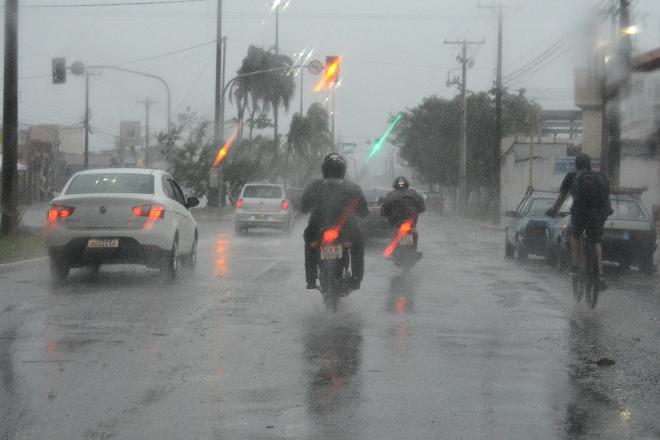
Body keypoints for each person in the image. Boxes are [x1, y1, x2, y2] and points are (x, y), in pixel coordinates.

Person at [300, 153, 369, 290]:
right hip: (347, 230)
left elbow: (303, 207)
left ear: (324, 169)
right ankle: (356, 279)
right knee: (357, 248)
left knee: (310, 246)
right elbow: (363, 211)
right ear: (343, 170)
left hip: (317, 228)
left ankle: (311, 279)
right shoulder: (353, 188)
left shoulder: (314, 186)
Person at [546, 153, 611, 290]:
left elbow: (562, 198)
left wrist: (553, 211)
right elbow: (606, 197)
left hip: (580, 213)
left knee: (575, 235)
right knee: (596, 241)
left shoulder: (571, 177)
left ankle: (575, 267)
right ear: (590, 165)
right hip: (598, 214)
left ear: (576, 165)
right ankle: (599, 275)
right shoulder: (600, 177)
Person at [380, 176, 426, 256]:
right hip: (410, 223)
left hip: (396, 223)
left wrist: (386, 214)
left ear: (395, 185)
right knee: (414, 232)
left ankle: (395, 252)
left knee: (395, 234)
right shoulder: (413, 194)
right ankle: (414, 250)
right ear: (407, 184)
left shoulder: (391, 195)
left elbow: (384, 210)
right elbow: (422, 208)